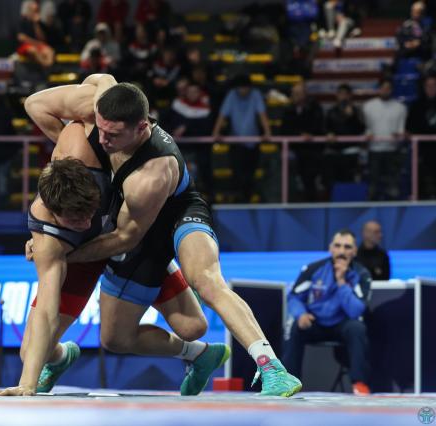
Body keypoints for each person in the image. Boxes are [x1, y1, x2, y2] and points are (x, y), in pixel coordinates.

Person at [51, 77, 301, 396]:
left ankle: (272, 368)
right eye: (100, 129)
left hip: (177, 216)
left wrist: (65, 255)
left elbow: (124, 238)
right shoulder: (105, 103)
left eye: (112, 135)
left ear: (142, 127)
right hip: (143, 233)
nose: (102, 140)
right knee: (123, 338)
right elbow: (37, 105)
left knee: (208, 281)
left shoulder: (151, 174)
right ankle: (199, 354)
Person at [0, 75, 218, 396]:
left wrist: (99, 88)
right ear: (55, 214)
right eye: (75, 221)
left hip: (124, 238)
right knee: (32, 353)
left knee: (193, 326)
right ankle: (64, 357)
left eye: (88, 213)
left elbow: (104, 80)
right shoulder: (48, 233)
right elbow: (47, 308)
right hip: (80, 254)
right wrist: (27, 384)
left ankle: (198, 349)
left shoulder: (98, 142)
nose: (85, 224)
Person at [283, 229, 372, 395]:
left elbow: (356, 311)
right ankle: (288, 383)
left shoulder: (362, 275)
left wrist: (341, 281)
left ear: (354, 251)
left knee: (358, 328)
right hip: (315, 322)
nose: (341, 251)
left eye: (347, 247)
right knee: (295, 326)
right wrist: (301, 314)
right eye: (337, 246)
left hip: (343, 324)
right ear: (331, 248)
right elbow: (294, 297)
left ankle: (359, 384)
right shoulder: (313, 269)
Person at [212, 74, 271, 203]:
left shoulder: (256, 94)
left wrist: (267, 132)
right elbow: (222, 114)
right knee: (237, 174)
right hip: (236, 143)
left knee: (250, 174)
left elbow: (262, 114)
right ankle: (240, 199)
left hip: (253, 143)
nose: (243, 90)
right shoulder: (232, 95)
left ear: (249, 87)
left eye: (245, 87)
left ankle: (247, 199)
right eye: (240, 87)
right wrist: (216, 132)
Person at [362, 79, 407, 201]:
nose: (385, 90)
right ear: (379, 89)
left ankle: (393, 206)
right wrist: (367, 134)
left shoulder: (400, 107)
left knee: (393, 186)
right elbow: (365, 128)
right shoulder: (368, 106)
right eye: (383, 88)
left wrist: (400, 135)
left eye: (388, 88)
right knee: (373, 185)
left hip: (392, 150)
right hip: (374, 150)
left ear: (392, 90)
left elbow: (401, 130)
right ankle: (371, 205)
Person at [281, 82, 325, 202]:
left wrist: (309, 134)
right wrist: (299, 135)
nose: (295, 96)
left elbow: (318, 127)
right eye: (294, 93)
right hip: (294, 150)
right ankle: (290, 203)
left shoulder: (315, 108)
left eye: (298, 93)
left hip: (311, 151)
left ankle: (311, 205)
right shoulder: (288, 110)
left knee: (309, 179)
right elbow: (284, 130)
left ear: (305, 94)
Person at [324, 83, 365, 190]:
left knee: (349, 180)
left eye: (346, 94)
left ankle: (349, 199)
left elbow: (361, 129)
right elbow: (325, 127)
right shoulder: (331, 111)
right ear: (337, 95)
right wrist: (329, 133)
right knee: (333, 180)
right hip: (334, 151)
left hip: (351, 151)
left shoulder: (356, 111)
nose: (343, 96)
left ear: (350, 96)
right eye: (341, 94)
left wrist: (352, 117)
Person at [406, 75, 436, 199]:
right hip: (422, 150)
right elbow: (409, 127)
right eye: (428, 85)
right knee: (422, 178)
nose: (431, 88)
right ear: (424, 87)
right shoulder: (416, 105)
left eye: (434, 85)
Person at [17, 0, 55, 68]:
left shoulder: (39, 23)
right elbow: (22, 38)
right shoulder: (23, 22)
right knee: (33, 50)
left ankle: (48, 68)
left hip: (38, 46)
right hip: (26, 46)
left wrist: (36, 24)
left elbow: (42, 38)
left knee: (50, 51)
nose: (35, 13)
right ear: (29, 11)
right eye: (33, 11)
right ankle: (46, 67)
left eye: (37, 11)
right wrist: (36, 43)